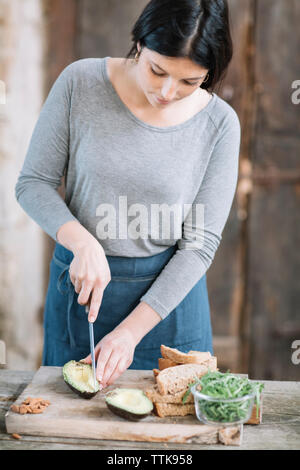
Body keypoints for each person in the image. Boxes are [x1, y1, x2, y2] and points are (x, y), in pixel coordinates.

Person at [15, 0, 241, 390]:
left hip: (168, 304)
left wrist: (131, 332)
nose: (168, 92)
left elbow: (199, 246)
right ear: (139, 43)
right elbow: (33, 183)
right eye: (158, 70)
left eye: (190, 82)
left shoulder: (220, 124)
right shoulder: (79, 83)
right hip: (83, 292)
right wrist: (83, 243)